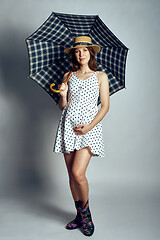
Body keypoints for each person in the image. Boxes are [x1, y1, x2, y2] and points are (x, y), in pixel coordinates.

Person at [53, 36, 110, 236]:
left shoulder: (100, 76)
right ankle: (79, 216)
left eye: (85, 50)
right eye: (77, 51)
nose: (81, 54)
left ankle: (86, 215)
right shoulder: (68, 75)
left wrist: (89, 127)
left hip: (89, 129)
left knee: (78, 173)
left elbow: (105, 106)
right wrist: (62, 95)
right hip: (67, 126)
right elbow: (63, 107)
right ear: (74, 55)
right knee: (71, 176)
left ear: (91, 53)